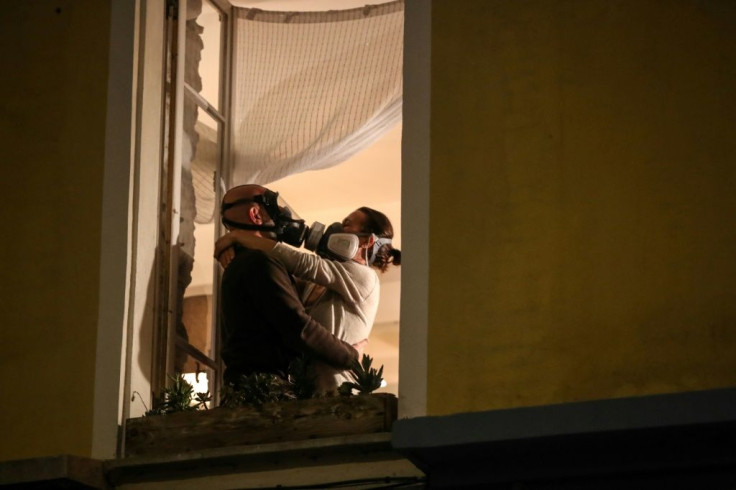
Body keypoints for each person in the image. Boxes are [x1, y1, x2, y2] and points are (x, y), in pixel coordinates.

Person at [216, 200, 401, 394]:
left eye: (347, 224)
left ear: (367, 241)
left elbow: (301, 263)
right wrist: (239, 246)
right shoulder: (322, 282)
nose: (337, 228)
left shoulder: (365, 277)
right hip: (308, 394)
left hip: (336, 394)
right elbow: (279, 278)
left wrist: (238, 236)